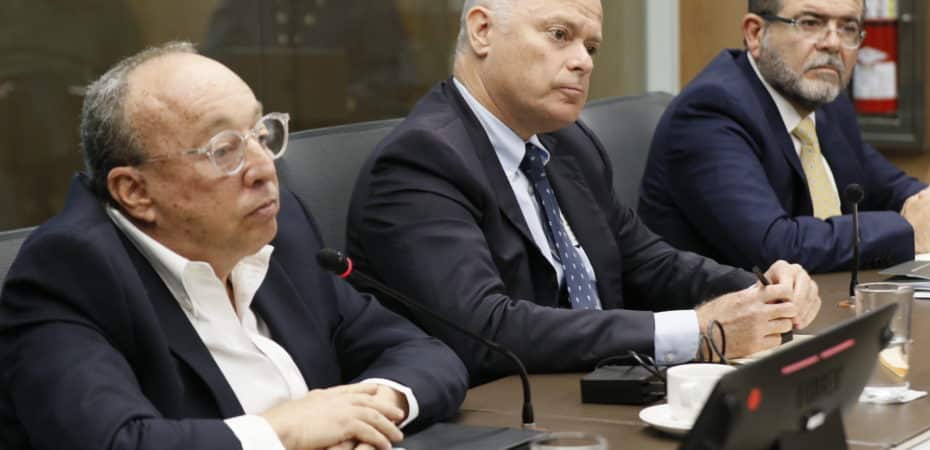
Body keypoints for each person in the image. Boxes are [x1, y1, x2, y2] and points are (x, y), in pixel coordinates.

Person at [0, 42, 467, 450]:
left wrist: (364, 413)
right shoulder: (68, 275)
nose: (264, 168)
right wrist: (285, 432)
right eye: (224, 150)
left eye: (260, 135)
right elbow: (117, 442)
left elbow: (426, 354)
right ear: (135, 191)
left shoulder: (278, 232)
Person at [346, 0, 821, 385]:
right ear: (482, 31)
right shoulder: (421, 160)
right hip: (502, 412)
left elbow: (648, 262)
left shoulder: (568, 143)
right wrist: (697, 331)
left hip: (603, 386)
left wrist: (758, 290)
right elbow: (488, 331)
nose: (583, 61)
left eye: (591, 46)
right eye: (559, 35)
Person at [639, 0, 930, 273]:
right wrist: (906, 230)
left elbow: (887, 187)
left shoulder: (825, 99)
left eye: (848, 28)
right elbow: (774, 246)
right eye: (810, 23)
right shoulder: (711, 112)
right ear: (755, 33)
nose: (833, 43)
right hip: (723, 307)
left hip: (823, 299)